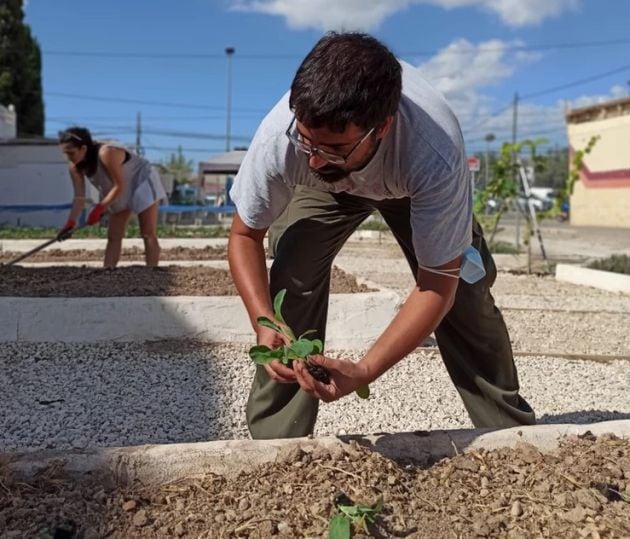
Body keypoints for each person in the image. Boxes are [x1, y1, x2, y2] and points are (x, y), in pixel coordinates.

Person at [228, 32, 535, 440]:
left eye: (333, 146)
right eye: (307, 140)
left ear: (382, 127)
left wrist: (366, 369)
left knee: (466, 293)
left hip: (407, 189)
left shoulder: (432, 153)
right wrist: (264, 322)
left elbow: (437, 284)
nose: (315, 157)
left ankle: (509, 434)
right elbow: (244, 235)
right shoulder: (283, 142)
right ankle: (276, 439)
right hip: (326, 189)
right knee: (293, 271)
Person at [57, 127, 166, 267]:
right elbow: (79, 197)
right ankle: (108, 273)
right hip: (115, 189)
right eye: (66, 154)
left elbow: (119, 185)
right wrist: (70, 223)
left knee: (147, 233)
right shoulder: (74, 167)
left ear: (83, 148)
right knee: (114, 236)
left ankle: (152, 273)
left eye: (71, 153)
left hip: (140, 181)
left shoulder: (107, 152)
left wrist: (99, 208)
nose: (69, 158)